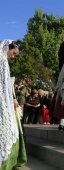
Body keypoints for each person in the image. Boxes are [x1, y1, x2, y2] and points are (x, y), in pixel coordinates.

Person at [0, 40, 27, 169]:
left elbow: (6, 83)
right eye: (13, 53)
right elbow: (4, 84)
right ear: (8, 48)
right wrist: (11, 98)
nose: (13, 56)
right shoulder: (2, 60)